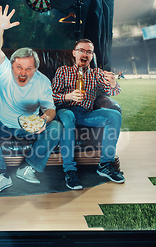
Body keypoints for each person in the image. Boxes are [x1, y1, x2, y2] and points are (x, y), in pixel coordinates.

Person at [0, 5, 62, 194]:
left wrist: (43, 120)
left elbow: (50, 109)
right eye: (19, 67)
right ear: (11, 66)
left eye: (28, 68)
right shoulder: (3, 71)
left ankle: (28, 168)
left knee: (57, 127)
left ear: (35, 69)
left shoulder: (42, 81)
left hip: (27, 129)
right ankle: (0, 176)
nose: (23, 72)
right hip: (0, 125)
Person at [52, 38, 125, 188]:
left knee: (114, 115)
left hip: (86, 114)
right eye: (81, 50)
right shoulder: (63, 71)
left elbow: (113, 91)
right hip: (66, 111)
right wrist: (68, 96)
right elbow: (50, 97)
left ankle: (105, 164)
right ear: (74, 53)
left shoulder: (96, 74)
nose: (85, 54)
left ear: (92, 56)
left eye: (89, 52)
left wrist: (113, 83)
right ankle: (70, 170)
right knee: (67, 117)